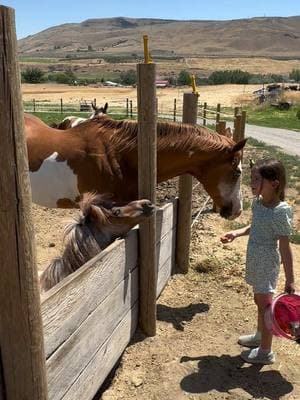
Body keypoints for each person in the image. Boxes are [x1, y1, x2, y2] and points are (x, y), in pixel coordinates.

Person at [221, 158, 295, 365]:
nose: (251, 183)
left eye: (256, 179)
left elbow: (285, 246)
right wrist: (237, 232)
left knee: (266, 307)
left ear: (274, 183)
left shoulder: (281, 211)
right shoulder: (258, 204)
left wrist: (290, 279)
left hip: (267, 265)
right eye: (251, 178)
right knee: (259, 302)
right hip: (254, 260)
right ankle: (259, 336)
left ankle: (266, 351)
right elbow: (256, 226)